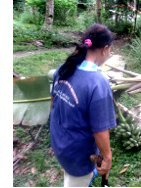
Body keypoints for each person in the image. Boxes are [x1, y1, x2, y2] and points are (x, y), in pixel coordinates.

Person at [49, 23, 116, 187]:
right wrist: (107, 158)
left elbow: (53, 104)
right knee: (75, 182)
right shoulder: (98, 83)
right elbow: (100, 129)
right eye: (110, 50)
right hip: (77, 154)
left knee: (74, 177)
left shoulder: (64, 68)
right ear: (104, 49)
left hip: (60, 142)